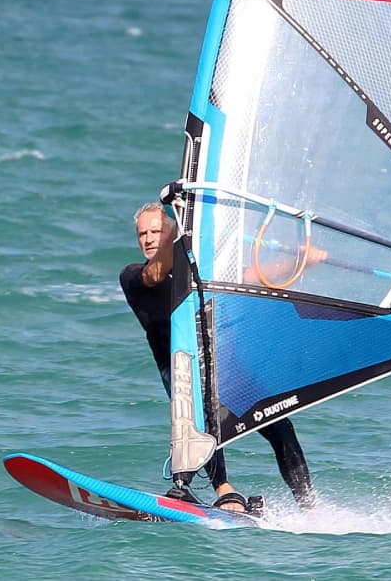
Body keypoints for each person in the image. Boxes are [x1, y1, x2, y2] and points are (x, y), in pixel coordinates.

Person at [120, 202, 316, 513]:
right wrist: (182, 234)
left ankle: (309, 506)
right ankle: (223, 490)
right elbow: (157, 271)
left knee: (280, 425)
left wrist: (301, 259)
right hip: (182, 370)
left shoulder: (198, 269)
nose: (148, 238)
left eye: (156, 230)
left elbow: (252, 275)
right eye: (142, 233)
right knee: (203, 418)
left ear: (168, 232)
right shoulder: (134, 276)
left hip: (225, 366)